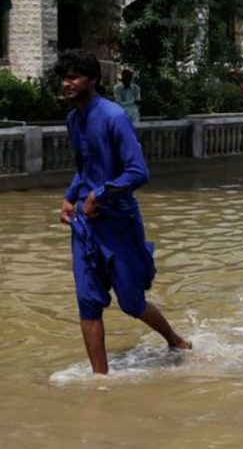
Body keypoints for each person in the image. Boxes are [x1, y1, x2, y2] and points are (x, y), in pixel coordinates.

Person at [56, 49, 190, 374]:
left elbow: (138, 172)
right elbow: (85, 167)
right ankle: (100, 383)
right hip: (86, 225)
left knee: (131, 302)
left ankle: (174, 339)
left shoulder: (114, 117)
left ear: (92, 80)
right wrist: (71, 196)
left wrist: (99, 195)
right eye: (64, 78)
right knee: (88, 302)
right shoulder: (73, 119)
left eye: (74, 77)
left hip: (119, 221)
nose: (67, 83)